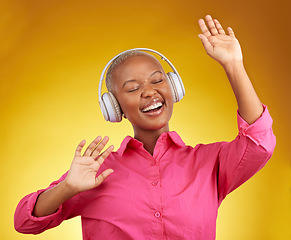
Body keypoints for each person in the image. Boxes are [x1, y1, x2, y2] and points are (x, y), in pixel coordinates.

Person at [14, 15, 276, 239]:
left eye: (157, 80)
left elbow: (260, 142)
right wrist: (67, 189)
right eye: (133, 88)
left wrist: (233, 64)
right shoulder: (96, 173)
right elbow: (24, 222)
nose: (149, 92)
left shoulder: (210, 163)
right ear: (115, 108)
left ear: (174, 88)